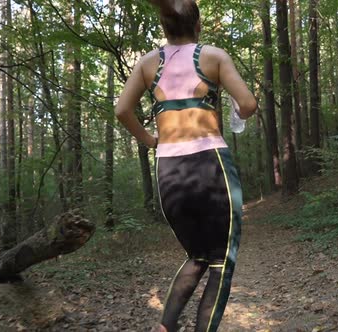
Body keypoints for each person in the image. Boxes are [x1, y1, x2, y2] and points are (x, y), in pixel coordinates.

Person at [115, 0, 257, 330]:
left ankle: (165, 327)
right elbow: (248, 104)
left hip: (169, 171)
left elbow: (123, 110)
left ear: (164, 27)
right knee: (222, 262)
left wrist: (151, 140)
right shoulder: (215, 57)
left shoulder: (147, 63)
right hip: (211, 167)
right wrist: (236, 110)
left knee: (198, 256)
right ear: (198, 26)